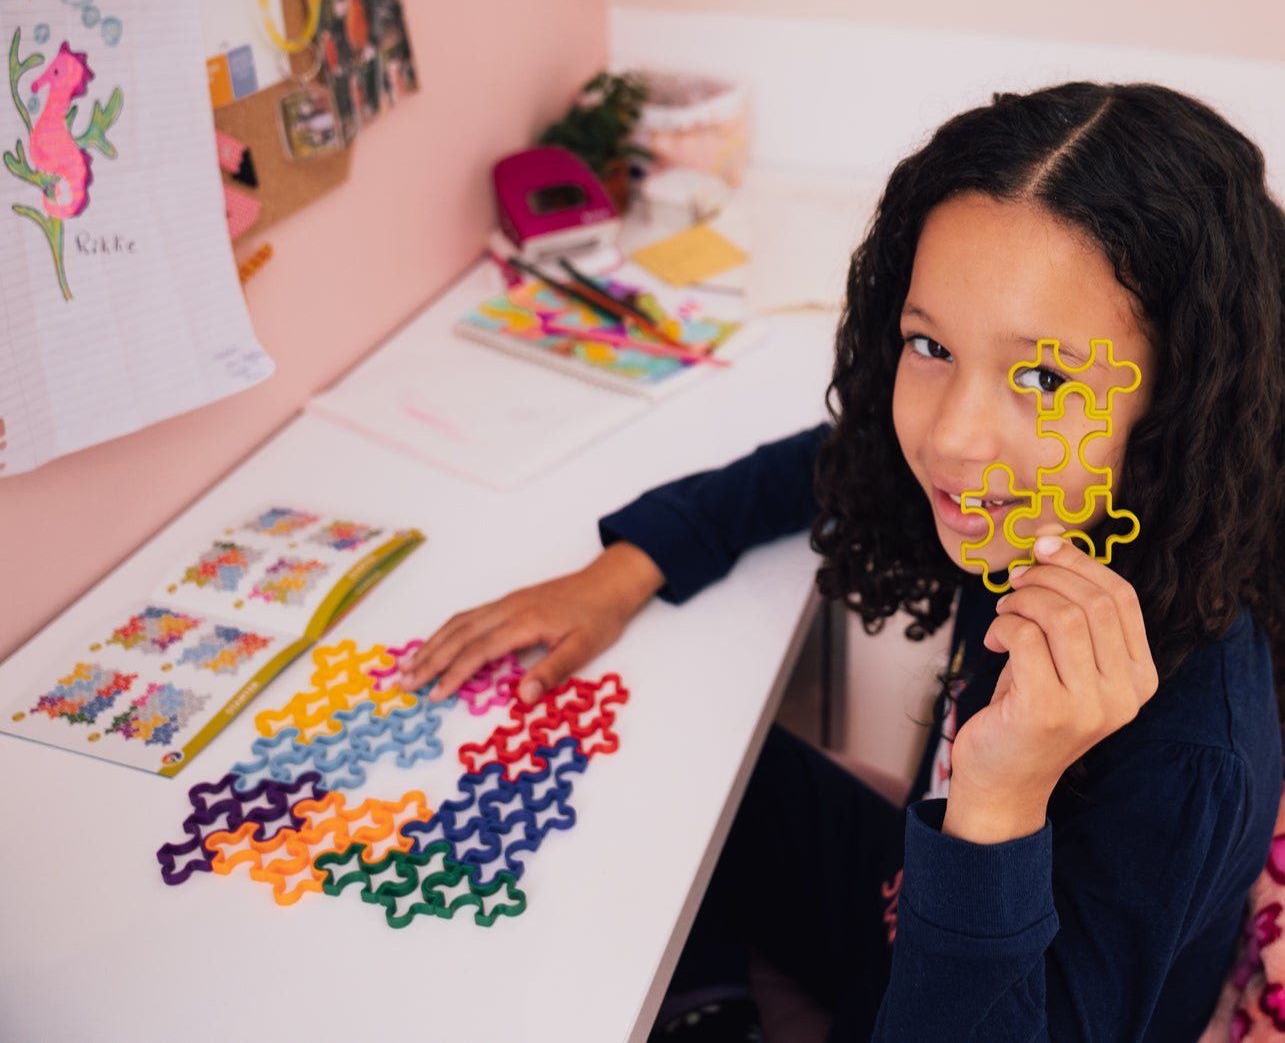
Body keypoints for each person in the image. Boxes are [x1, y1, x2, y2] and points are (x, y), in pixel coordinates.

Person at [400, 82, 1285, 1040]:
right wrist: (619, 574)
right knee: (687, 764)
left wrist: (1000, 797)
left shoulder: (1189, 756)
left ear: (1179, 401)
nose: (951, 436)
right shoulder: (1043, 505)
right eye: (929, 344)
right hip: (906, 909)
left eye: (1040, 375)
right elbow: (840, 458)